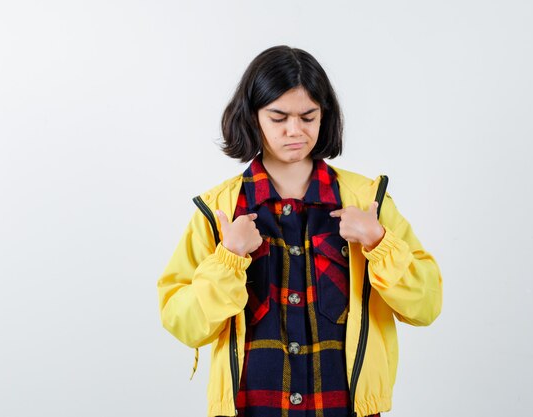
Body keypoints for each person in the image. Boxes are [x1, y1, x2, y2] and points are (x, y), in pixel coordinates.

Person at [157, 45, 443, 417]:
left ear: (324, 116)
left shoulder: (368, 200)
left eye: (308, 117)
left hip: (347, 408)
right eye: (278, 117)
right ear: (252, 117)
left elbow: (426, 306)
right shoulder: (218, 212)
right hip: (252, 407)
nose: (295, 131)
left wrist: (379, 242)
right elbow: (185, 324)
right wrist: (228, 258)